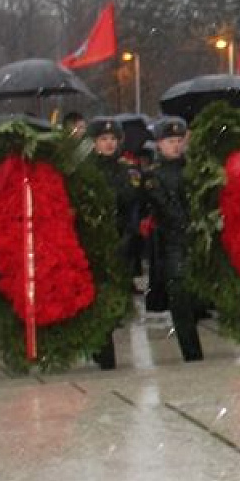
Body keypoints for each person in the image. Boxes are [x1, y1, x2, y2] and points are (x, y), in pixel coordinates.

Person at [143, 117, 203, 362]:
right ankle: (191, 352)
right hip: (171, 243)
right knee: (179, 297)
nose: (176, 146)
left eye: (179, 141)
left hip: (195, 240)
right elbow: (166, 208)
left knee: (196, 297)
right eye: (170, 141)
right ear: (159, 144)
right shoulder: (153, 175)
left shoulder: (192, 168)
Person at [86, 117, 141, 370]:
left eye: (112, 139)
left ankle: (103, 348)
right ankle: (102, 350)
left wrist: (128, 236)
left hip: (120, 242)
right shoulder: (86, 172)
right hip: (95, 243)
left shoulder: (125, 172)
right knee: (97, 298)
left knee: (114, 299)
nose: (108, 144)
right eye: (103, 139)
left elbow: (133, 207)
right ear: (94, 142)